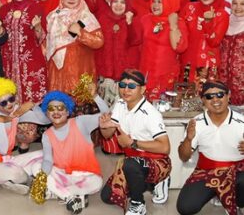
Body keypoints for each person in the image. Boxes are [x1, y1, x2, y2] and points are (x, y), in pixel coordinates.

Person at [100, 70, 172, 215]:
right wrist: (104, 126)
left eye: (132, 86)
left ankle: (139, 203)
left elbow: (165, 147)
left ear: (143, 89)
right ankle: (149, 184)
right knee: (107, 196)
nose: (126, 90)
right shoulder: (120, 104)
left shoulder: (151, 113)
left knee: (130, 165)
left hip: (156, 161)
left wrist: (133, 143)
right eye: (122, 85)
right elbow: (108, 135)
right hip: (133, 159)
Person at [31, 89, 108, 213]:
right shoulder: (47, 135)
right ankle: (71, 198)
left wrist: (95, 95)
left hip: (87, 176)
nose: (56, 112)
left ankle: (57, 193)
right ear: (47, 113)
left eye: (60, 108)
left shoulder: (81, 122)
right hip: (64, 175)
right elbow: (47, 160)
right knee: (36, 168)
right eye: (51, 109)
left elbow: (106, 114)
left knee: (96, 182)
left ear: (68, 111)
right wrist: (42, 178)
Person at [176, 80, 244, 215]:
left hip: (237, 172)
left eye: (220, 95)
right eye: (209, 96)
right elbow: (183, 157)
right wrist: (188, 140)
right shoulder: (196, 122)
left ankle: (238, 202)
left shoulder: (241, 121)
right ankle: (218, 193)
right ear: (203, 100)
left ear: (228, 95)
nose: (215, 100)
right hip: (207, 171)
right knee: (185, 207)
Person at [0, 78, 47, 192]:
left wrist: (33, 106)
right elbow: (2, 149)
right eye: (3, 102)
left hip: (6, 160)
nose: (9, 104)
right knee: (18, 173)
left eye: (11, 99)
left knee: (47, 153)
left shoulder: (14, 113)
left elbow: (45, 121)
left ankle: (8, 179)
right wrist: (1, 121)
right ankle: (13, 179)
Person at [45, 0, 104, 93]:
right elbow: (48, 41)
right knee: (58, 103)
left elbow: (99, 41)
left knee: (80, 103)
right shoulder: (54, 16)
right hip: (57, 69)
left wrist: (81, 33)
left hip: (80, 67)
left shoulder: (86, 16)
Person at [0, 0, 48, 103]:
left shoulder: (35, 8)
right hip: (8, 64)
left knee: (32, 103)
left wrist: (37, 27)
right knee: (10, 102)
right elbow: (0, 37)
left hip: (31, 64)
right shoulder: (3, 10)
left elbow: (42, 38)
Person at [139, 0, 188, 99]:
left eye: (160, 1)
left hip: (165, 74)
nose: (155, 5)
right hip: (145, 72)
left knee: (163, 107)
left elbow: (179, 47)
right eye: (154, 1)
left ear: (170, 3)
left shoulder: (179, 22)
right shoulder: (145, 20)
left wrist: (173, 25)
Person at [180, 0, 229, 82]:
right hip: (187, 61)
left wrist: (208, 22)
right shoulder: (190, 7)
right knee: (185, 95)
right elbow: (181, 34)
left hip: (207, 65)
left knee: (207, 96)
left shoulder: (222, 14)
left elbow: (214, 42)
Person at [95, 0, 141, 83]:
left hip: (123, 70)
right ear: (111, 3)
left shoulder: (132, 19)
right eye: (115, 1)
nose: (118, 5)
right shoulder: (102, 18)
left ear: (127, 4)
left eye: (123, 2)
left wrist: (129, 24)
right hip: (103, 68)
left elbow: (134, 41)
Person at [220, 0, 244, 105]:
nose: (238, 7)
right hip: (223, 81)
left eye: (242, 4)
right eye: (235, 3)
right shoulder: (225, 23)